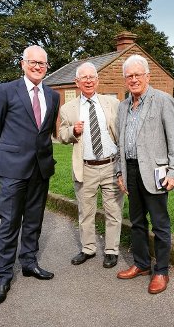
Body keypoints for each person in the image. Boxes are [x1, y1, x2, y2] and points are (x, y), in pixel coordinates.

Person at [0, 45, 60, 305]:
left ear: (47, 66)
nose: (38, 66)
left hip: (40, 169)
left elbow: (47, 131)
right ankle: (3, 276)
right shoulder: (6, 90)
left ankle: (29, 263)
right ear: (23, 64)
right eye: (33, 62)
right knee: (9, 223)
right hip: (12, 169)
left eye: (42, 63)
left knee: (33, 220)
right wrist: (10, 157)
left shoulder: (53, 96)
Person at [116, 54, 174, 294]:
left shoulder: (163, 100)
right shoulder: (123, 106)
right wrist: (120, 172)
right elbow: (121, 144)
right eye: (129, 76)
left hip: (156, 172)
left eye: (137, 75)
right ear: (125, 79)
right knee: (136, 222)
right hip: (131, 170)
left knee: (160, 224)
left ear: (147, 76)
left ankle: (161, 271)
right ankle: (142, 264)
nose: (133, 79)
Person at [59, 62, 123, 269]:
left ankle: (111, 250)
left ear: (97, 80)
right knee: (86, 212)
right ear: (77, 82)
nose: (88, 81)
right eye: (83, 78)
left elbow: (122, 130)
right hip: (85, 168)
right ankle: (88, 248)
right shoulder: (67, 109)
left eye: (92, 77)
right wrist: (73, 132)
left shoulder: (112, 102)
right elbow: (61, 135)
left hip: (111, 166)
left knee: (113, 210)